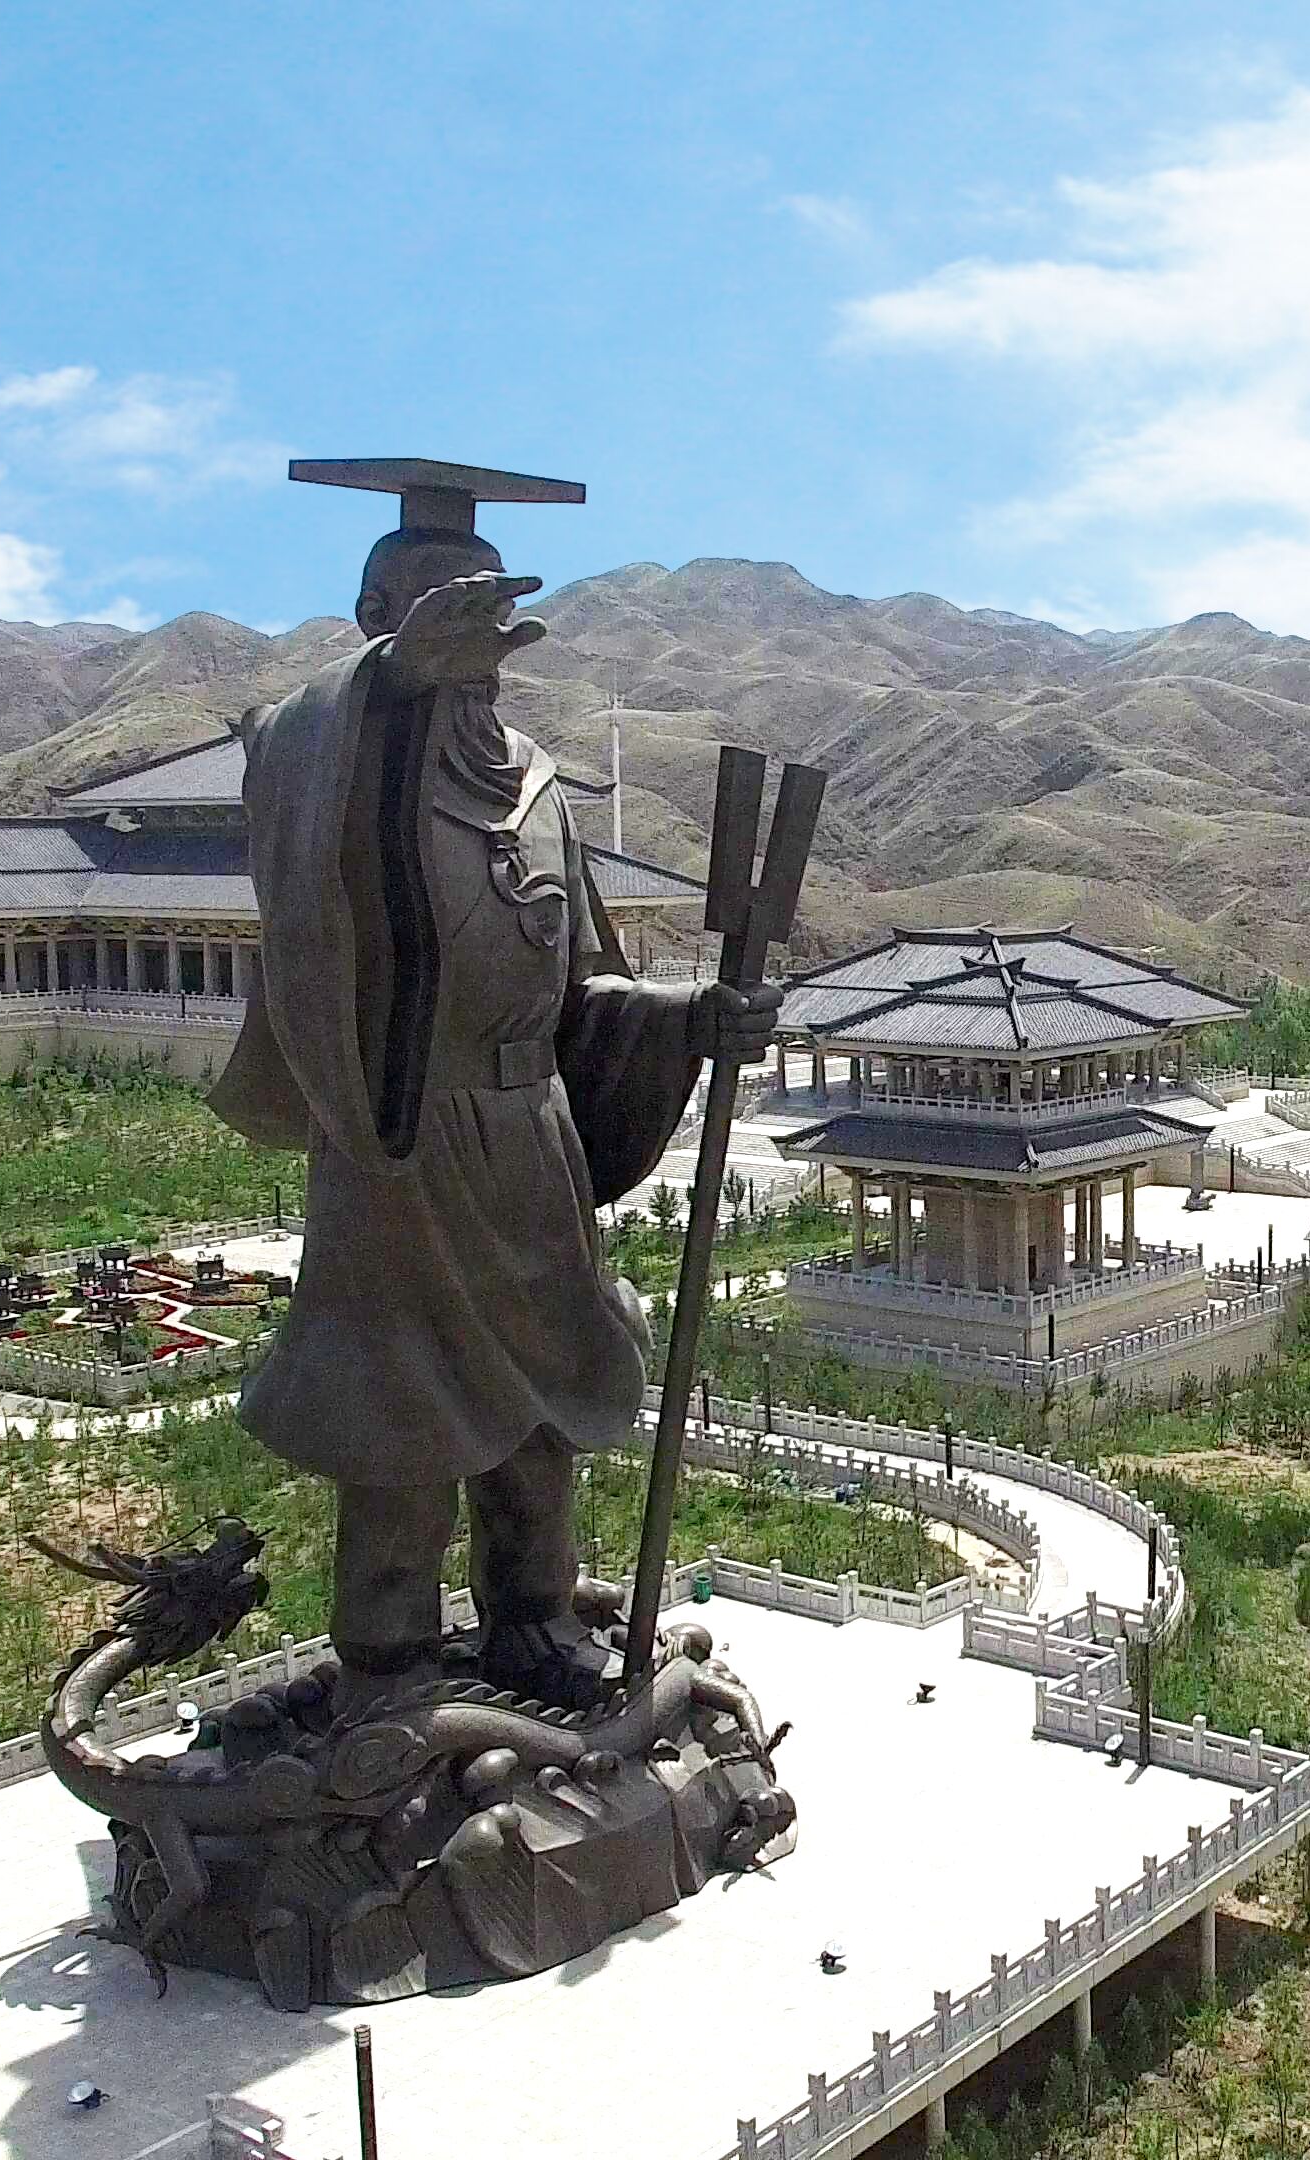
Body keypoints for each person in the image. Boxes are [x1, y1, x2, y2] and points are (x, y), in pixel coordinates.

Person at [214, 527, 776, 1720]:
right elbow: (291, 792)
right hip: (397, 1137)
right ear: (375, 615)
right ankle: (389, 1660)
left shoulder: (534, 783)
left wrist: (686, 1020)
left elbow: (578, 991)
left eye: (485, 622)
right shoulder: (325, 756)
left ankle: (532, 1618)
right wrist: (388, 681)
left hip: (531, 1138)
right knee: (400, 1413)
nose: (470, 646)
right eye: (437, 614)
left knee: (545, 1402)